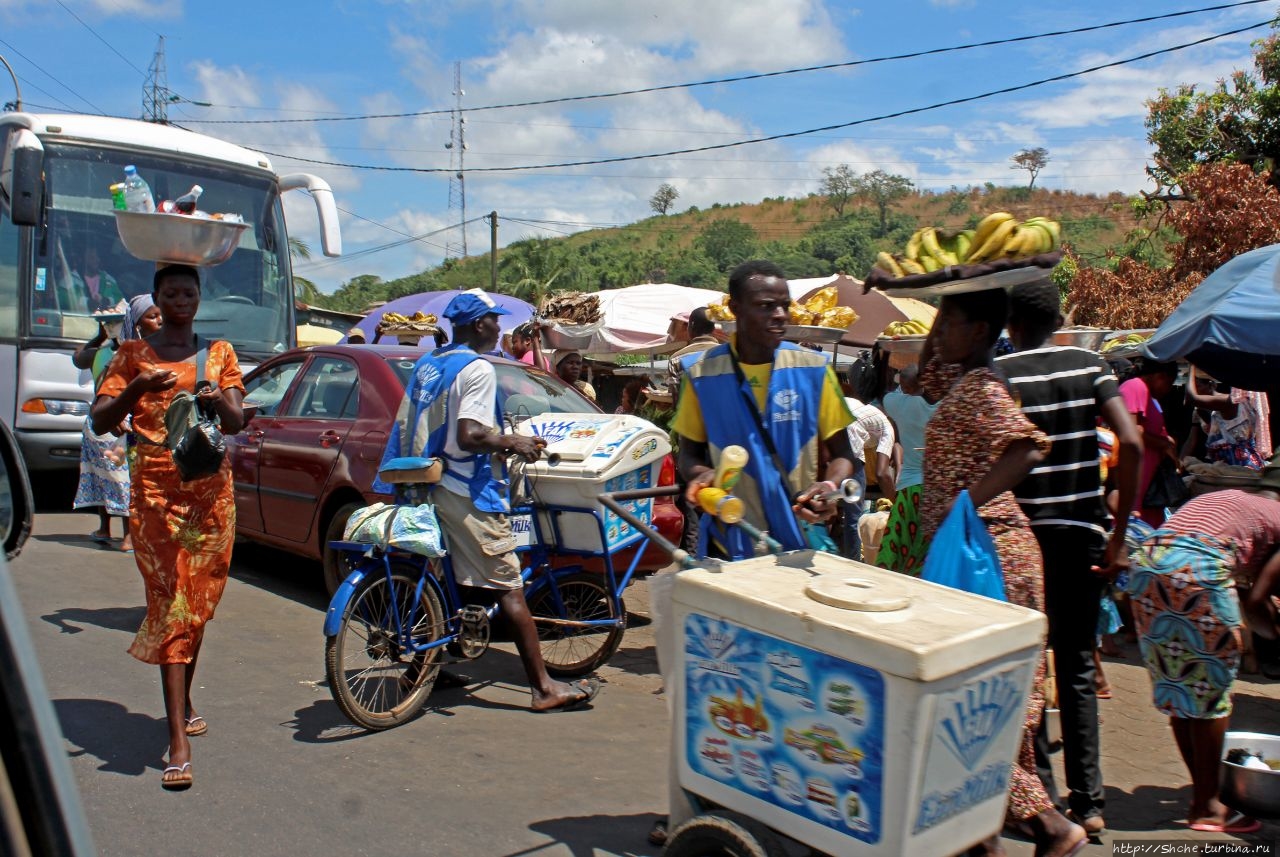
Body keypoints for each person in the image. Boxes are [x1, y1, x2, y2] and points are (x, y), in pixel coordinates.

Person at [649, 260, 856, 847]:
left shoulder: (813, 370)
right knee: (715, 689)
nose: (780, 314)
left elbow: (842, 455)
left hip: (796, 561)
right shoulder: (704, 373)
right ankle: (696, 805)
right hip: (728, 557)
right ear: (734, 310)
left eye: (785, 304)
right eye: (766, 306)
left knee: (790, 690)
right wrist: (696, 478)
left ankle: (790, 806)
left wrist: (830, 489)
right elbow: (688, 449)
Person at [918, 288, 1086, 857]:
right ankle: (982, 838)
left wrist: (965, 501)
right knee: (983, 699)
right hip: (973, 552)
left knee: (978, 701)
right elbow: (925, 373)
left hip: (992, 555)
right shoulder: (961, 380)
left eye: (952, 323)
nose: (939, 332)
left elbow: (1027, 449)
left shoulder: (986, 387)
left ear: (984, 329)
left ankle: (1050, 828)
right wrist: (942, 302)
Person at [379, 289, 599, 714]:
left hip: (423, 484)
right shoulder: (477, 369)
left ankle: (426, 667)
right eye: (494, 321)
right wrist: (512, 440)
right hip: (463, 488)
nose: (499, 328)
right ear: (479, 324)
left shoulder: (431, 362)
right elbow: (470, 435)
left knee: (445, 582)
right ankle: (543, 688)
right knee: (509, 586)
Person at [90, 264, 246, 791]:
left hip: (209, 491)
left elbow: (236, 421)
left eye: (189, 291)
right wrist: (137, 386)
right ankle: (176, 740)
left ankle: (182, 700)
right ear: (155, 298)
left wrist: (213, 398)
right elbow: (102, 420)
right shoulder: (132, 355)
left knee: (197, 606)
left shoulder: (219, 352)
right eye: (171, 292)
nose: (181, 299)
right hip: (154, 489)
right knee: (171, 600)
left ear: (200, 298)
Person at [997, 279, 1143, 838]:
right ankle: (1092, 803)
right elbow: (1128, 442)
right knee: (1078, 665)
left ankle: (1050, 805)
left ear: (1010, 324)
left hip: (1028, 542)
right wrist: (1118, 531)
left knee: (1033, 673)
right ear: (1059, 316)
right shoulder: (1089, 363)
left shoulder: (1003, 376)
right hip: (1085, 536)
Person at [1124, 457, 1280, 835]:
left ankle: (1206, 795)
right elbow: (1258, 602)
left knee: (1182, 687)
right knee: (1212, 692)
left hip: (1148, 565)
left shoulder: (1232, 498)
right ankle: (1209, 806)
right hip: (1198, 571)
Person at [71, 295, 163, 551]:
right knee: (119, 478)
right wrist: (101, 336)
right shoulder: (126, 352)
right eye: (153, 316)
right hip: (115, 423)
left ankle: (107, 529)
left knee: (109, 476)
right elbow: (79, 358)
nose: (160, 321)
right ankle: (126, 535)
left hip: (102, 422)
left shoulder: (126, 350)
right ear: (136, 322)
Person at [665, 306, 721, 553]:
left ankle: (693, 549)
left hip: (690, 436)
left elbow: (677, 404)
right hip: (723, 435)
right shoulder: (726, 355)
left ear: (691, 328)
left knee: (692, 493)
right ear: (714, 329)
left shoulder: (678, 359)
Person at [875, 364, 936, 573]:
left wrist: (885, 362)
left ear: (905, 386)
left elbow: (883, 392)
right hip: (936, 493)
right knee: (925, 553)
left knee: (893, 551)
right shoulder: (947, 407)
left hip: (909, 491)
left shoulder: (899, 405)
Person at [1119, 359, 1180, 526]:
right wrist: (1164, 444)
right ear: (1159, 376)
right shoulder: (1135, 387)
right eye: (1169, 383)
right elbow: (1130, 430)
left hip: (1149, 483)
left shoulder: (1149, 396)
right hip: (1134, 477)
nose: (1168, 390)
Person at [840, 395, 895, 561]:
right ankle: (854, 563)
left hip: (833, 418)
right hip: (849, 430)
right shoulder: (889, 430)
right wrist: (897, 503)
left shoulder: (866, 411)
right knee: (854, 515)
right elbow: (881, 473)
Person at [1184, 367, 1269, 469]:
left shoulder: (1228, 402)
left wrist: (1191, 366)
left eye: (1197, 386)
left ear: (1211, 385)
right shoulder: (1200, 410)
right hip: (1233, 464)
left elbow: (1191, 399)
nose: (1195, 391)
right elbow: (1194, 439)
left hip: (1239, 465)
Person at [664, 307, 718, 399]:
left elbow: (675, 397)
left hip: (690, 412)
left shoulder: (676, 359)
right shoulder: (728, 354)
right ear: (713, 329)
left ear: (691, 327)